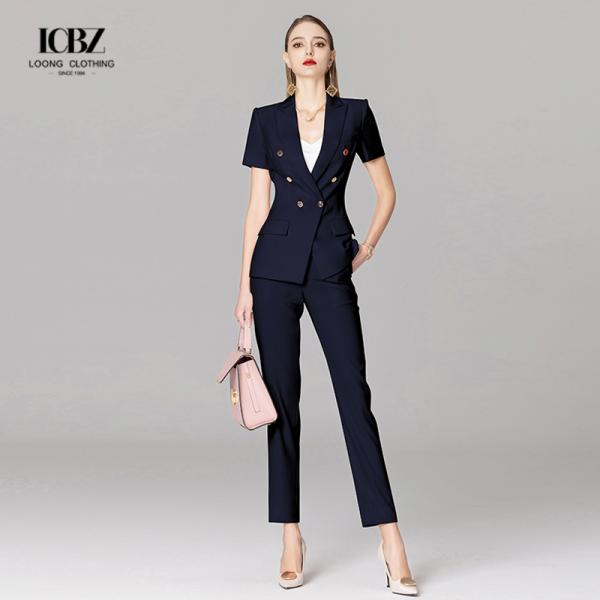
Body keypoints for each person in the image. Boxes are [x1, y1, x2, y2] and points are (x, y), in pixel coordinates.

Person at [234, 14, 419, 595]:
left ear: (332, 55)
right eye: (298, 44)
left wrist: (366, 248)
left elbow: (386, 191)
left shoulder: (354, 114)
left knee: (354, 399)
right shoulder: (265, 120)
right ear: (286, 58)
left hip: (330, 267)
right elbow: (257, 206)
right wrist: (243, 286)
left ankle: (391, 540)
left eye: (318, 43)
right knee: (282, 404)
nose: (308, 50)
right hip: (272, 270)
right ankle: (290, 535)